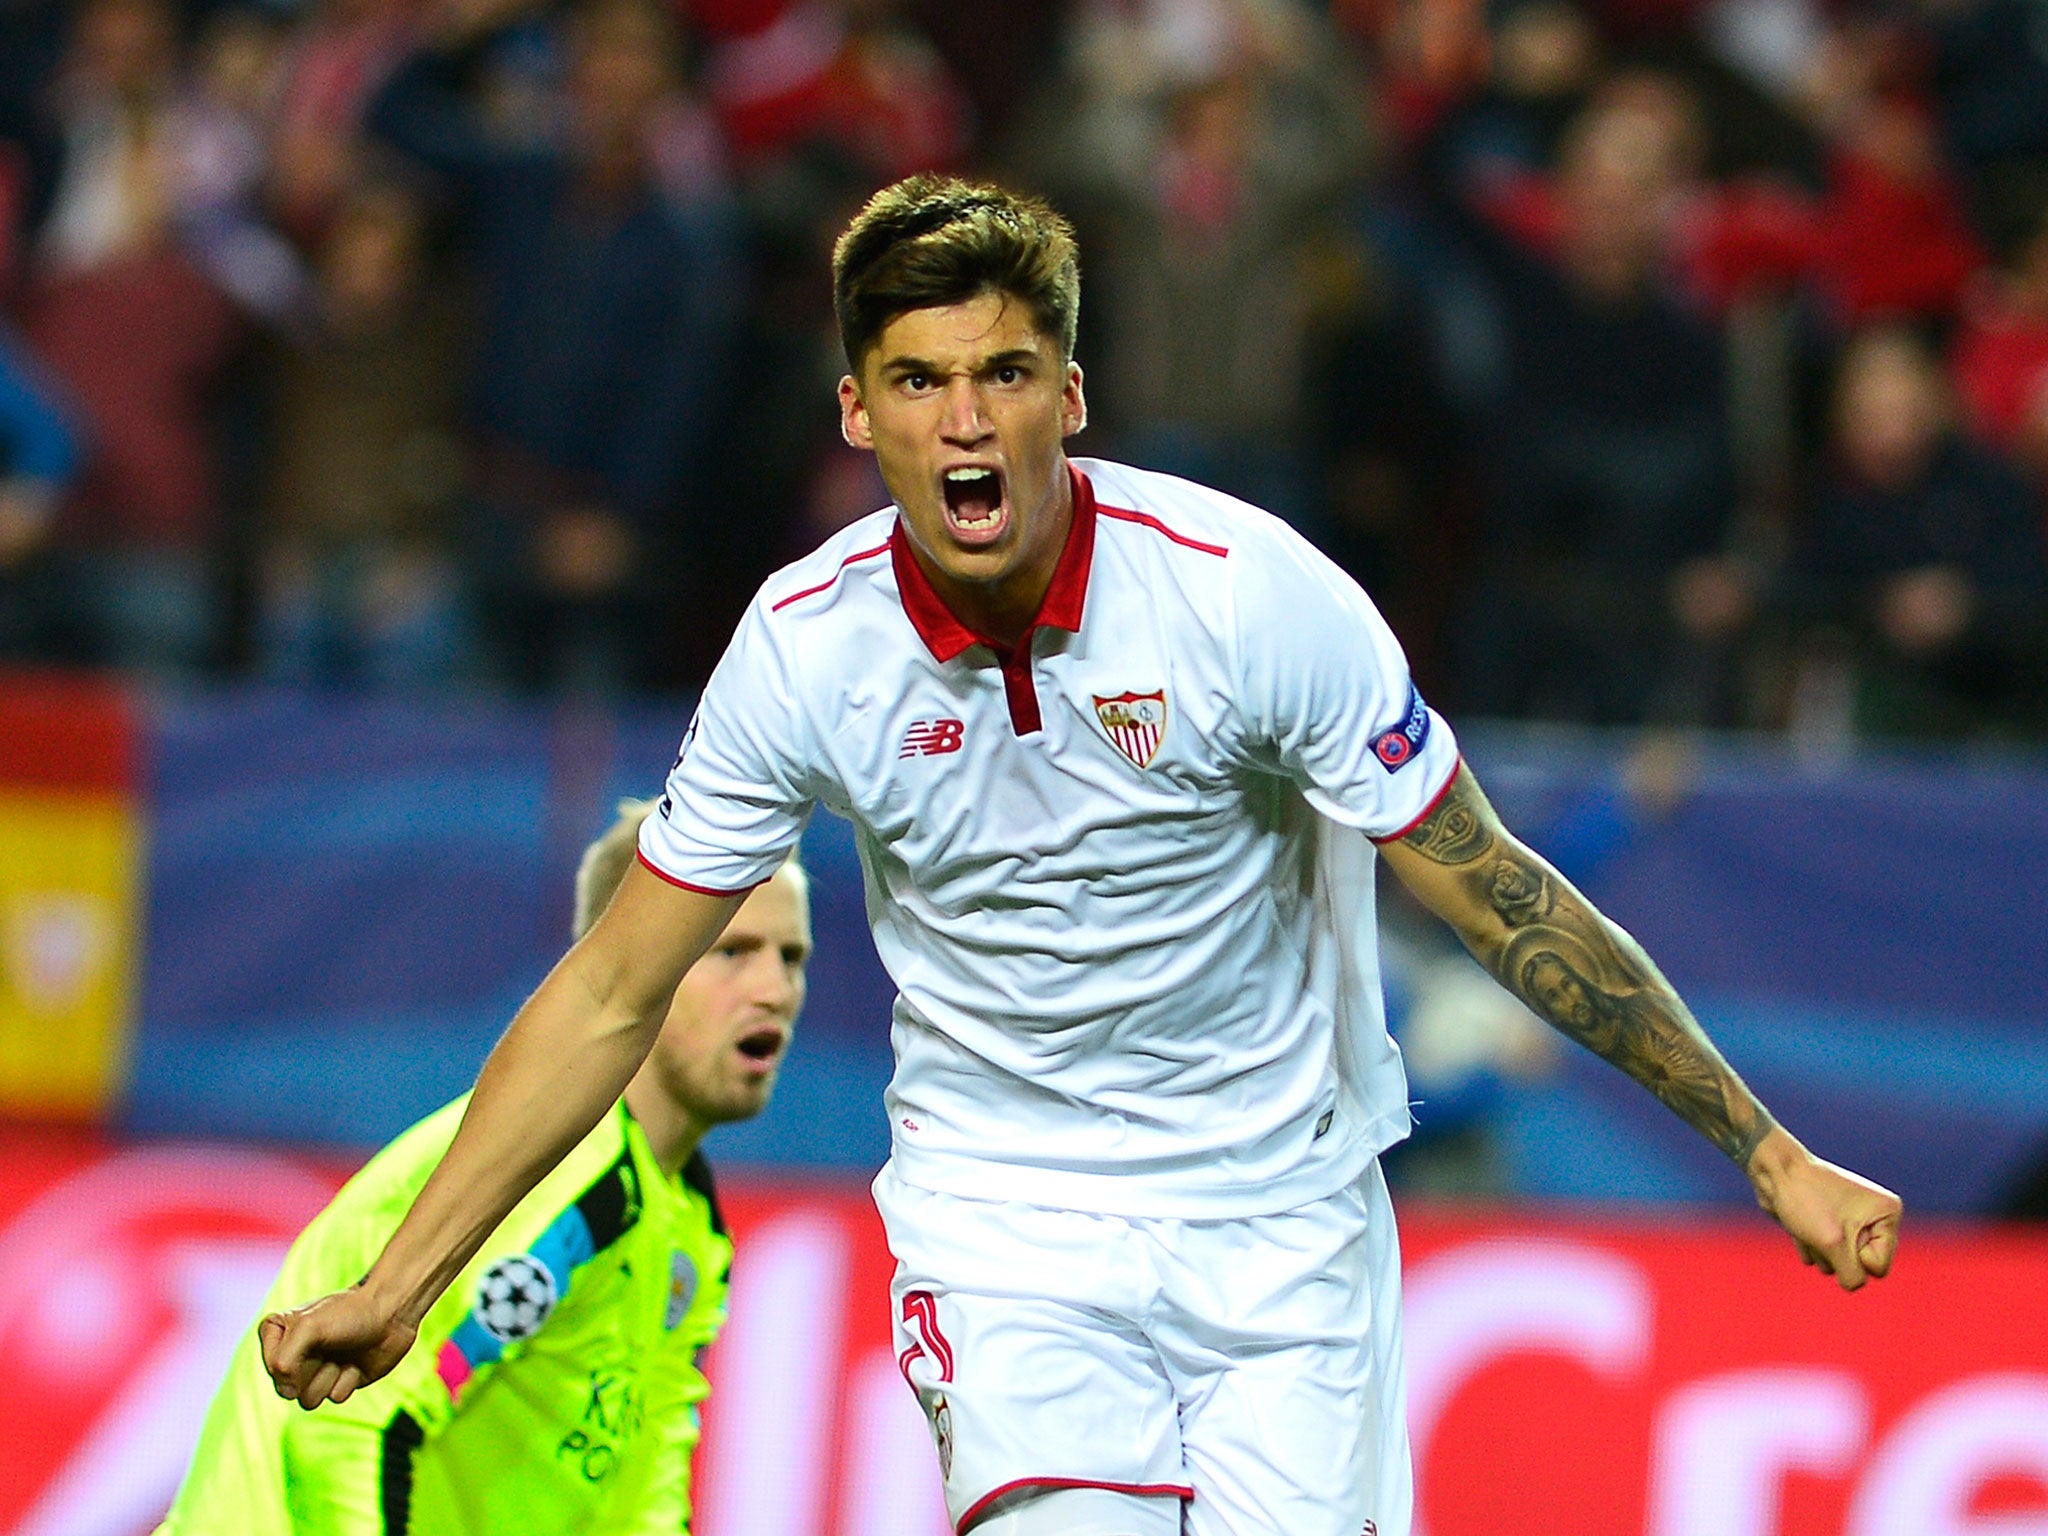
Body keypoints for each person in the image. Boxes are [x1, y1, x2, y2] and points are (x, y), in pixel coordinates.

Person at [263, 176, 1902, 1536]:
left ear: (1071, 395)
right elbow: (619, 983)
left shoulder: (1245, 598)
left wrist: (1759, 1150)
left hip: (1283, 1219)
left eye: (1001, 373)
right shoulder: (804, 651)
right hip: (1009, 1223)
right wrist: (407, 1286)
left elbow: (1491, 885)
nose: (963, 423)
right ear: (855, 410)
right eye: (916, 380)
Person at [159, 802, 810, 1535]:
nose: (774, 991)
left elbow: (645, 1491)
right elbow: (349, 1430)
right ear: (643, 966)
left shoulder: (689, 1228)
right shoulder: (570, 1174)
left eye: (792, 958)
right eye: (734, 951)